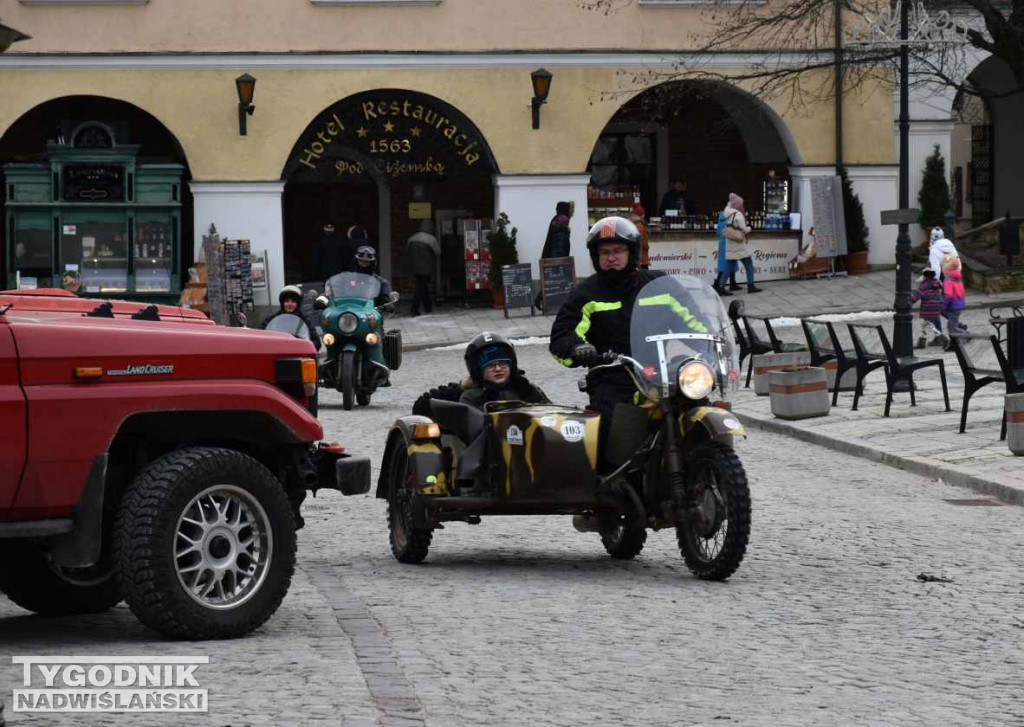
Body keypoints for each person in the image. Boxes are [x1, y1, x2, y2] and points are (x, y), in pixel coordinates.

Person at [549, 216, 668, 468]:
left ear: (632, 252)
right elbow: (562, 334)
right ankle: (606, 484)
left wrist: (709, 339)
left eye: (617, 250)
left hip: (661, 371)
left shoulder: (658, 284)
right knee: (610, 427)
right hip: (614, 374)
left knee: (696, 400)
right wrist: (577, 349)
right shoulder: (587, 293)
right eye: (604, 252)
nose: (611, 257)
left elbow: (692, 319)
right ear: (596, 257)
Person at [460, 332, 549, 409]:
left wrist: (530, 396)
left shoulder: (525, 389)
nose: (498, 369)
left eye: (503, 364)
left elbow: (551, 415)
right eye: (490, 365)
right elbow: (470, 425)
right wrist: (487, 404)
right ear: (478, 370)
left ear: (511, 365)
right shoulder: (471, 397)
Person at [722, 193, 762, 294]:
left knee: (729, 265)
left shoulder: (726, 212)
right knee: (748, 263)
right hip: (738, 243)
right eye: (741, 204)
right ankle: (751, 285)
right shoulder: (738, 214)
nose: (742, 206)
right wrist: (750, 228)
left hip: (730, 241)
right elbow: (744, 229)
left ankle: (721, 286)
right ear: (737, 204)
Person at [262, 285, 321, 351]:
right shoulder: (271, 320)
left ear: (297, 304)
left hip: (298, 354)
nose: (290, 304)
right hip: (278, 354)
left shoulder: (304, 320)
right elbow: (261, 338)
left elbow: (317, 343)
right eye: (287, 301)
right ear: (282, 303)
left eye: (293, 301)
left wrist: (305, 345)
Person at [407, 220, 440, 316]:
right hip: (426, 267)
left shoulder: (411, 238)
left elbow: (407, 251)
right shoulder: (431, 239)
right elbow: (438, 252)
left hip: (414, 267)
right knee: (420, 288)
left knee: (423, 286)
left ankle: (428, 306)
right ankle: (414, 309)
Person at [910, 268, 946, 349]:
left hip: (928, 309)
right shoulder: (938, 283)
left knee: (929, 325)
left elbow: (914, 297)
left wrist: (908, 300)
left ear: (926, 276)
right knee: (926, 325)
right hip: (936, 308)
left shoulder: (924, 286)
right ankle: (922, 342)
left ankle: (943, 340)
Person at [941, 255, 967, 338]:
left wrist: (943, 306)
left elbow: (948, 296)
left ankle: (966, 336)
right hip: (959, 305)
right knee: (953, 324)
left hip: (953, 306)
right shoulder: (958, 278)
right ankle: (961, 334)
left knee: (952, 327)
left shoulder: (948, 280)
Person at [712, 206, 731, 297]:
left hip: (722, 245)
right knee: (725, 267)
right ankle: (720, 287)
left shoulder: (720, 223)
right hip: (727, 245)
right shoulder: (727, 223)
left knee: (723, 267)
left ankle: (717, 285)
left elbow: (717, 234)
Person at [629, 203, 651, 270]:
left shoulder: (635, 225)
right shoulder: (639, 225)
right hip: (641, 260)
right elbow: (643, 244)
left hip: (638, 260)